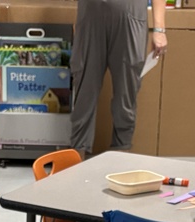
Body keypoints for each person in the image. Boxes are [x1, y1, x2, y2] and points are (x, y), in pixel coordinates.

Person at [69, 0, 168, 158]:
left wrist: (159, 29)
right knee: (84, 91)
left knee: (126, 91)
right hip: (90, 17)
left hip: (130, 17)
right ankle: (77, 156)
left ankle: (120, 155)